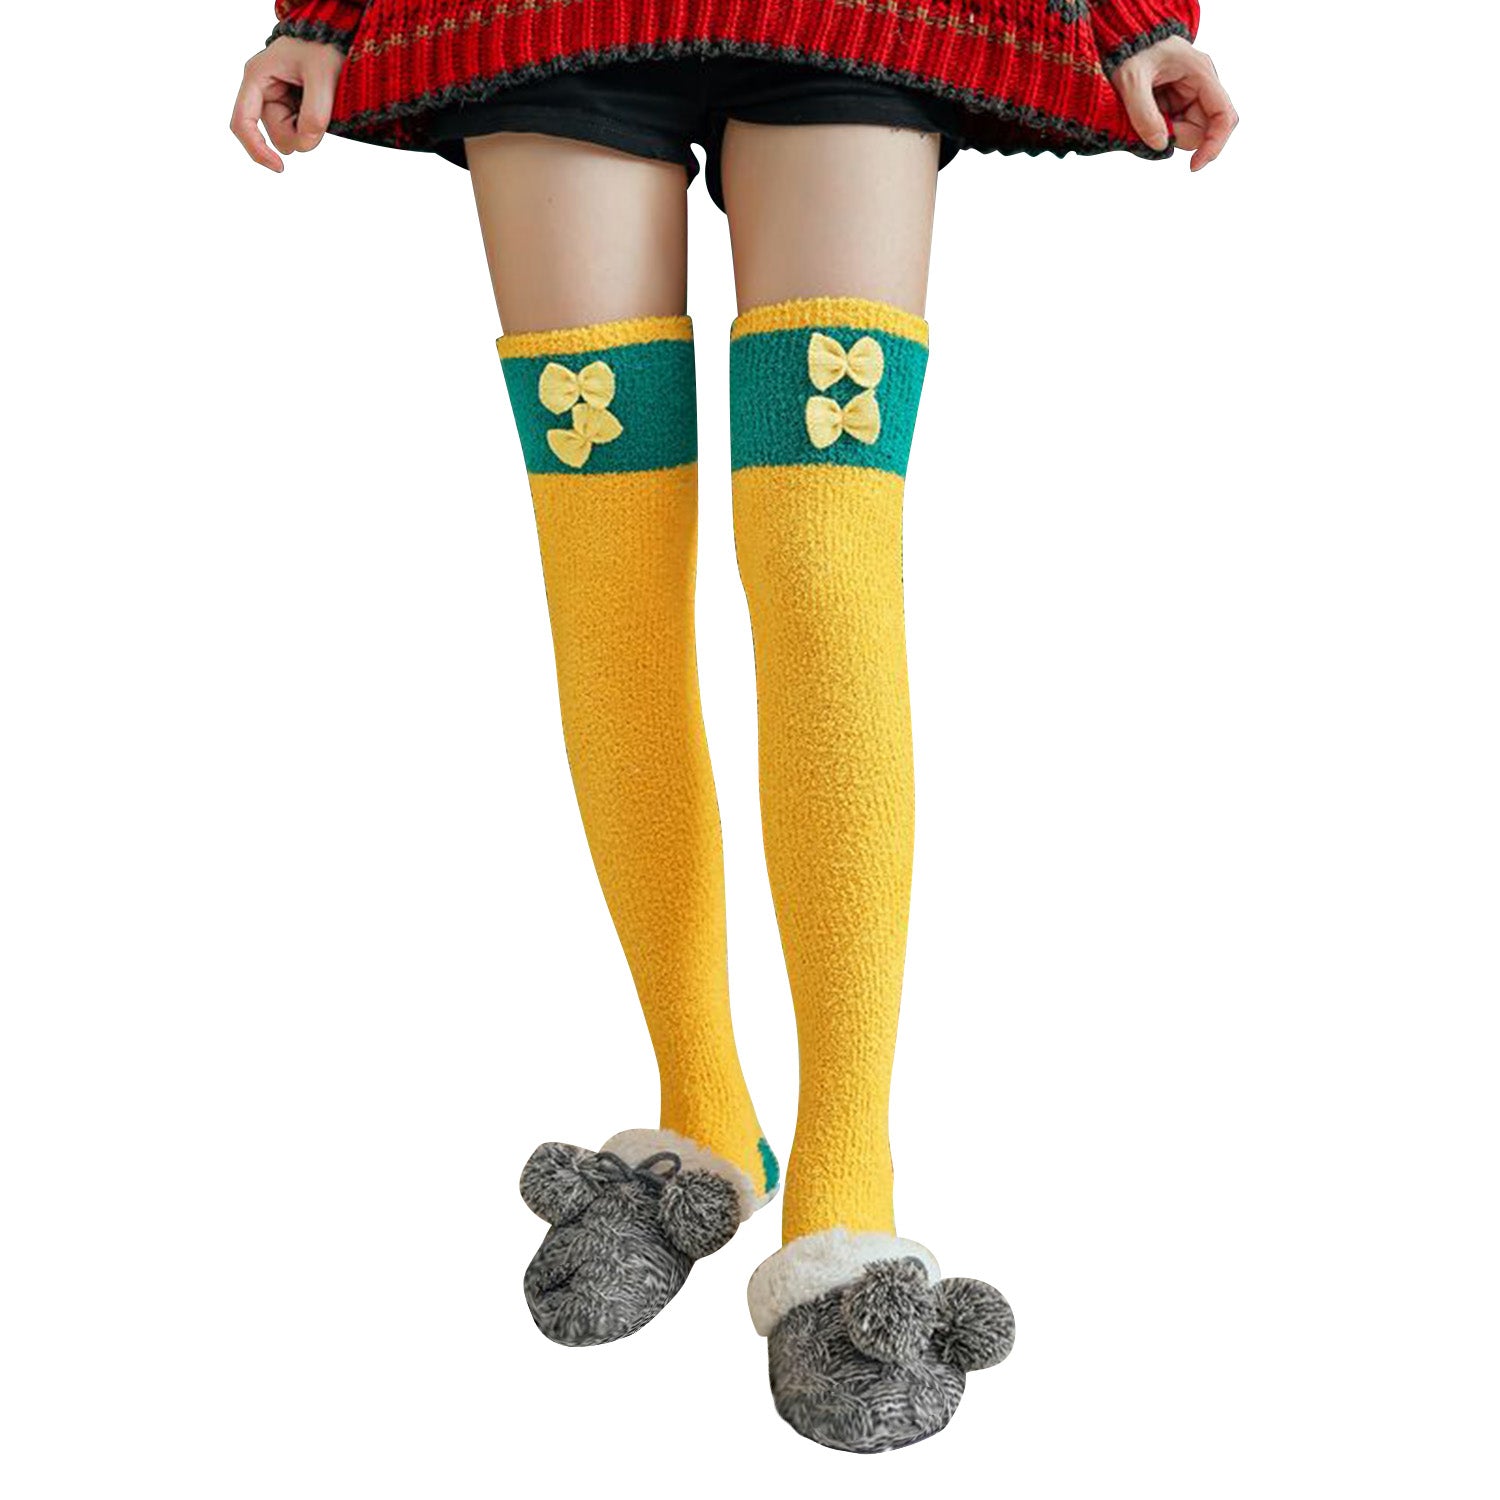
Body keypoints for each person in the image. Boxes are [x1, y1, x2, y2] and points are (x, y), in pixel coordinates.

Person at [232, 1, 1237, 1454]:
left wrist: (1134, 16)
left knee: (827, 560)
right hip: (545, 17)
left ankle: (846, 1182)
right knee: (609, 583)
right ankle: (702, 1114)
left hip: (858, 15)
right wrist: (322, 13)